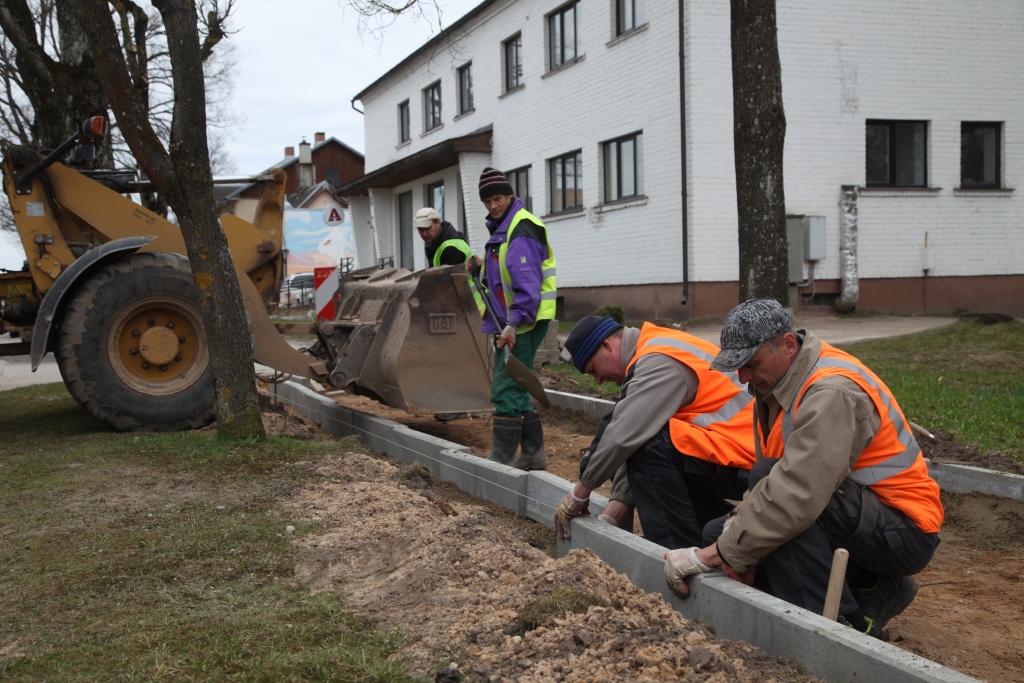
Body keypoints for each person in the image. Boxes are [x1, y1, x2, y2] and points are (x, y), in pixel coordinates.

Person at [663, 298, 944, 637]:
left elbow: (796, 495)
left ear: (788, 345)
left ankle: (841, 631)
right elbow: (774, 476)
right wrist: (732, 548)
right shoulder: (778, 383)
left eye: (751, 363)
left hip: (904, 531)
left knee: (773, 524)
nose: (742, 376)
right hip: (860, 515)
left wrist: (713, 556)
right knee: (725, 532)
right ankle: (871, 588)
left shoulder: (831, 392)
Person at [553, 316, 757, 547]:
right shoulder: (654, 346)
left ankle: (673, 553)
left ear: (607, 345)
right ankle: (714, 539)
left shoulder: (657, 361)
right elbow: (638, 430)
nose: (598, 380)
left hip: (749, 458)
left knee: (650, 449)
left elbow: (624, 436)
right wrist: (613, 511)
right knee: (656, 446)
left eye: (593, 370)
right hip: (733, 449)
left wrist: (580, 493)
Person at [473, 167, 556, 471]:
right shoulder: (503, 229)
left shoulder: (519, 228)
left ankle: (503, 458)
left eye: (497, 198)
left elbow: (525, 282)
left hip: (524, 319)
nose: (492, 205)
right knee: (518, 383)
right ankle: (534, 454)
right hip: (515, 318)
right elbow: (501, 278)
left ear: (510, 196)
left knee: (506, 385)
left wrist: (512, 324)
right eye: (487, 201)